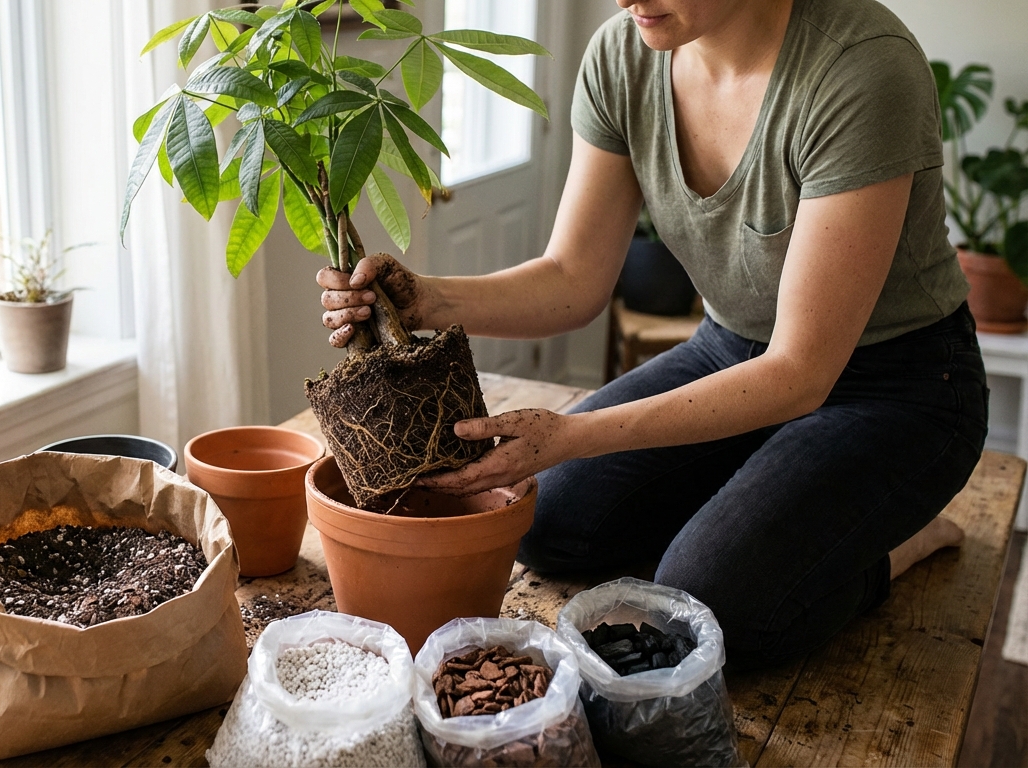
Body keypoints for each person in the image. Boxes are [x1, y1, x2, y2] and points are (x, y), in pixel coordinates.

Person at [317, 0, 987, 671]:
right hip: (730, 350)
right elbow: (574, 278)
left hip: (896, 388)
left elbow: (800, 372)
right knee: (548, 526)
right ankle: (769, 506)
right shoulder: (624, 55)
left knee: (712, 607)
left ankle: (895, 543)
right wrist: (429, 298)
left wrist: (571, 435)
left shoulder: (860, 67)